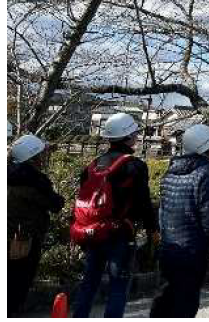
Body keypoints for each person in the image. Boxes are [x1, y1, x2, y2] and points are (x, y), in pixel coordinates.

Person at [71, 112, 159, 318]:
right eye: (135, 132)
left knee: (89, 283)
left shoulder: (92, 165)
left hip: (92, 231)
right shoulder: (134, 165)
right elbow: (143, 202)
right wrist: (152, 227)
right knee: (118, 286)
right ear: (128, 136)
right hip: (119, 234)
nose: (137, 135)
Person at [152, 125, 209, 317]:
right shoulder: (206, 172)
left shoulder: (170, 170)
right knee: (185, 303)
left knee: (164, 298)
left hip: (169, 246)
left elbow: (163, 211)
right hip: (193, 250)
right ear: (206, 147)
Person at [9, 134, 64, 317]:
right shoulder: (34, 181)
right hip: (23, 241)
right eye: (41, 153)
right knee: (18, 285)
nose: (44, 157)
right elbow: (55, 204)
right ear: (34, 157)